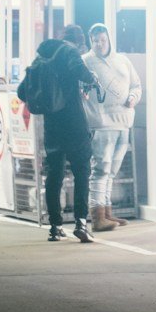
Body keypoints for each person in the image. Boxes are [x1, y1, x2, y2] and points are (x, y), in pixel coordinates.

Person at [35, 25, 99, 243]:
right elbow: (80, 71)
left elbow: (25, 89)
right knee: (82, 171)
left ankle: (55, 226)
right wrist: (91, 78)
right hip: (73, 122)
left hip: (51, 124)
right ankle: (81, 222)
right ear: (79, 43)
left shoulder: (42, 56)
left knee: (54, 175)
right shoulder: (70, 51)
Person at [82, 22, 142, 231]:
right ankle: (97, 216)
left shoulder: (123, 60)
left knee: (112, 170)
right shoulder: (85, 62)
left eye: (103, 40)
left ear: (109, 40)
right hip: (100, 124)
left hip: (124, 122)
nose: (100, 44)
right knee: (100, 169)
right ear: (91, 42)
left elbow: (136, 85)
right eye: (95, 41)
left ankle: (106, 212)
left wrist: (133, 97)